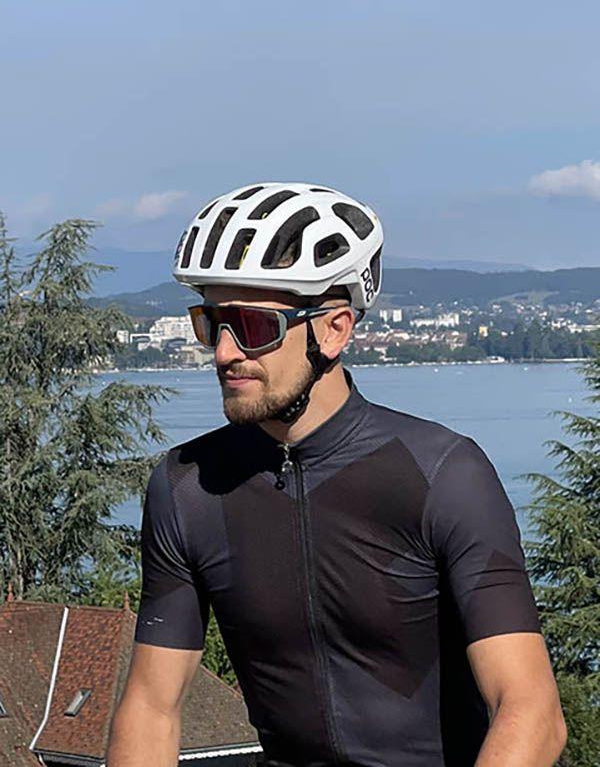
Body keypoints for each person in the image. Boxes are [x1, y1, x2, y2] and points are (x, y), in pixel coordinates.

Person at [107, 182, 567, 767]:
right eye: (211, 322)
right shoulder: (187, 487)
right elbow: (151, 708)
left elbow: (531, 713)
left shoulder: (444, 474)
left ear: (334, 329)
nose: (223, 352)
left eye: (252, 327)